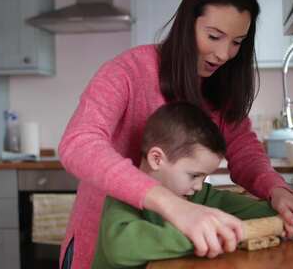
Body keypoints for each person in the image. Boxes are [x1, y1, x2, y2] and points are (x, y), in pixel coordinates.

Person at [59, 0, 293, 269]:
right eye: (214, 36)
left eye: (237, 42)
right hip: (105, 247)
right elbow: (78, 144)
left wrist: (277, 192)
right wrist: (170, 204)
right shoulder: (127, 71)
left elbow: (243, 150)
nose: (224, 53)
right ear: (188, 25)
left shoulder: (221, 87)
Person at [92, 102, 282, 268]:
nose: (199, 186)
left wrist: (285, 213)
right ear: (157, 159)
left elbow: (243, 207)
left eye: (204, 177)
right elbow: (120, 248)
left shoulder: (193, 194)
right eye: (194, 175)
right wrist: (205, 236)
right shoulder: (123, 194)